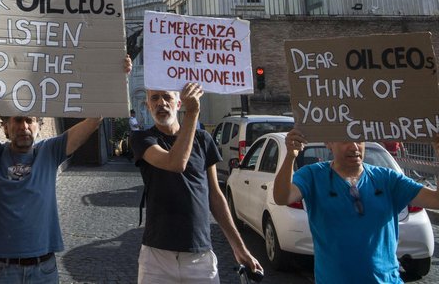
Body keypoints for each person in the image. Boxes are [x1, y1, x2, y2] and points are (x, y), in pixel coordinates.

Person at [0, 41, 131, 284]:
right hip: (1, 271)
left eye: (30, 120)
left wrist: (118, 78)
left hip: (43, 270)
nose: (24, 127)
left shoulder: (50, 151)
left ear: (39, 123)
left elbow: (94, 120)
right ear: (6, 126)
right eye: (17, 120)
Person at [130, 86, 261, 284]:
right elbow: (176, 163)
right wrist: (193, 113)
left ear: (178, 103)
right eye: (154, 98)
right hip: (157, 257)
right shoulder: (142, 138)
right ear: (148, 106)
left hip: (200, 256)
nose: (161, 103)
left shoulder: (203, 139)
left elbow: (215, 197)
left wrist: (239, 248)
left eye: (167, 97)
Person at [273, 129, 439, 283]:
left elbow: (436, 200)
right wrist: (290, 157)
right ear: (328, 143)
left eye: (359, 140)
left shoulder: (387, 179)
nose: (354, 147)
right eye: (345, 141)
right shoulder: (312, 176)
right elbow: (282, 197)